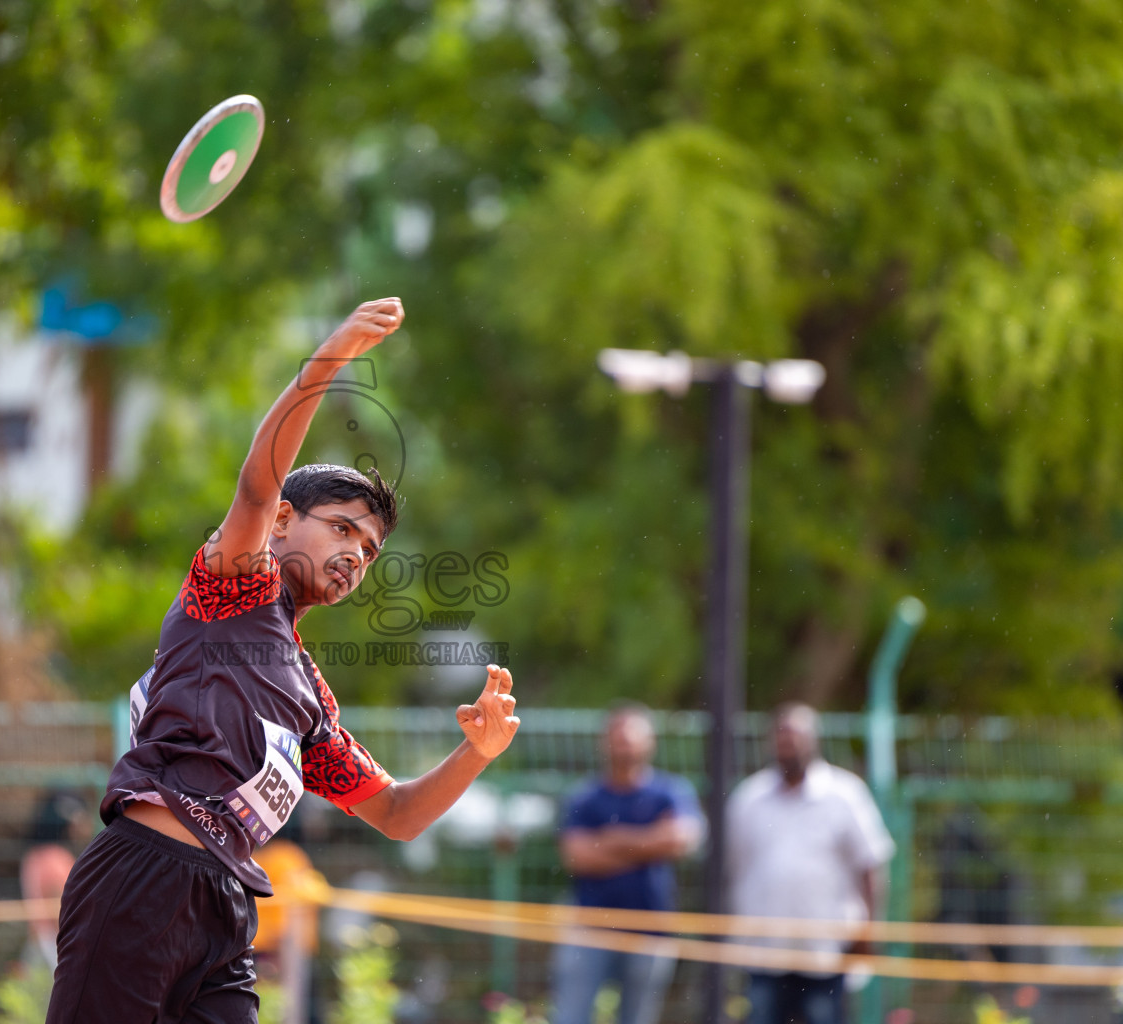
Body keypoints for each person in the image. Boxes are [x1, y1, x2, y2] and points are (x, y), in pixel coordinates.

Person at [47, 298, 522, 1024]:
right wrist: (328, 361)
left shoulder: (309, 696)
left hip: (228, 906)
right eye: (341, 531)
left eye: (367, 551)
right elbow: (257, 483)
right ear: (279, 526)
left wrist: (476, 752)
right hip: (142, 875)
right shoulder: (234, 587)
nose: (355, 557)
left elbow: (395, 813)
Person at [727, 703, 895, 1024]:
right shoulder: (749, 797)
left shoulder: (845, 794)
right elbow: (735, 866)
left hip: (825, 951)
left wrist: (868, 931)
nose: (789, 743)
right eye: (782, 735)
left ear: (814, 739)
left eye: (796, 735)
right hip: (764, 950)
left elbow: (871, 865)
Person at [552, 703, 704, 1024]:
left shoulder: (670, 792)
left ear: (650, 742)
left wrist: (611, 839)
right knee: (571, 1016)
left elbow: (682, 840)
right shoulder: (585, 796)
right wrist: (650, 844)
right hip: (589, 930)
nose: (625, 743)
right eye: (618, 736)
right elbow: (577, 856)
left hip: (650, 928)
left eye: (632, 736)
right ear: (604, 741)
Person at [19, 792, 90, 970]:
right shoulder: (56, 859)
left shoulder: (33, 857)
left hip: (40, 938)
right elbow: (60, 908)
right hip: (57, 942)